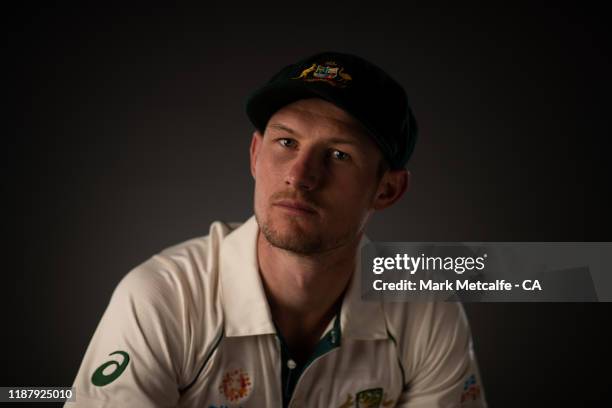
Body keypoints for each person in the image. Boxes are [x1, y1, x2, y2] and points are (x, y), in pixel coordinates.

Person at [67, 51, 487, 408]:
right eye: (286, 142)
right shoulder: (162, 299)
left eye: (338, 155)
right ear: (255, 155)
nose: (300, 176)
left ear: (388, 189)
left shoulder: (427, 310)